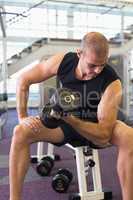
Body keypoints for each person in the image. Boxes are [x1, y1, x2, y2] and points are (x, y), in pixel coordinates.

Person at [9, 32, 133, 200]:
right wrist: (22, 116)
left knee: (128, 136)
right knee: (20, 131)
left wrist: (70, 118)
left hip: (96, 127)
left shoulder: (112, 82)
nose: (97, 70)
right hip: (64, 125)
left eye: (102, 65)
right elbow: (23, 79)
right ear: (79, 54)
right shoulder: (64, 62)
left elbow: (103, 135)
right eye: (92, 65)